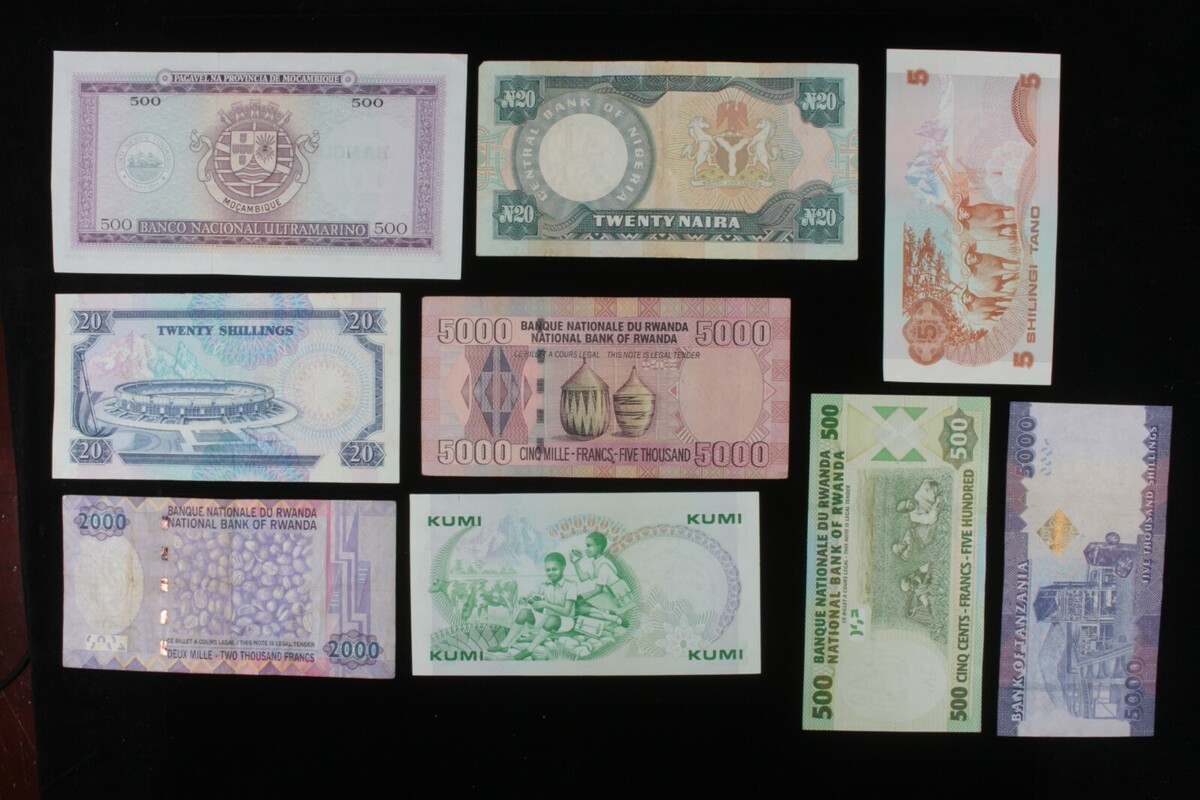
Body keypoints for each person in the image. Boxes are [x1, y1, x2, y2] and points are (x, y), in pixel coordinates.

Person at [489, 552, 576, 660]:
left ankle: (529, 650)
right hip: (547, 618)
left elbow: (567, 611)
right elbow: (540, 608)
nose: (550, 573)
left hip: (565, 621)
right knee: (524, 612)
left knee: (552, 619)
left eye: (554, 569)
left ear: (563, 568)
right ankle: (504, 645)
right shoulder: (544, 585)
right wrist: (529, 601)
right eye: (548, 570)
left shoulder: (571, 585)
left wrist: (545, 604)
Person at [570, 531, 627, 607]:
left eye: (589, 546)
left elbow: (598, 590)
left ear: (599, 548)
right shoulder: (598, 563)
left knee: (581, 606)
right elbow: (583, 578)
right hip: (610, 595)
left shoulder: (603, 565)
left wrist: (580, 600)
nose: (586, 549)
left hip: (617, 599)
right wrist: (576, 564)